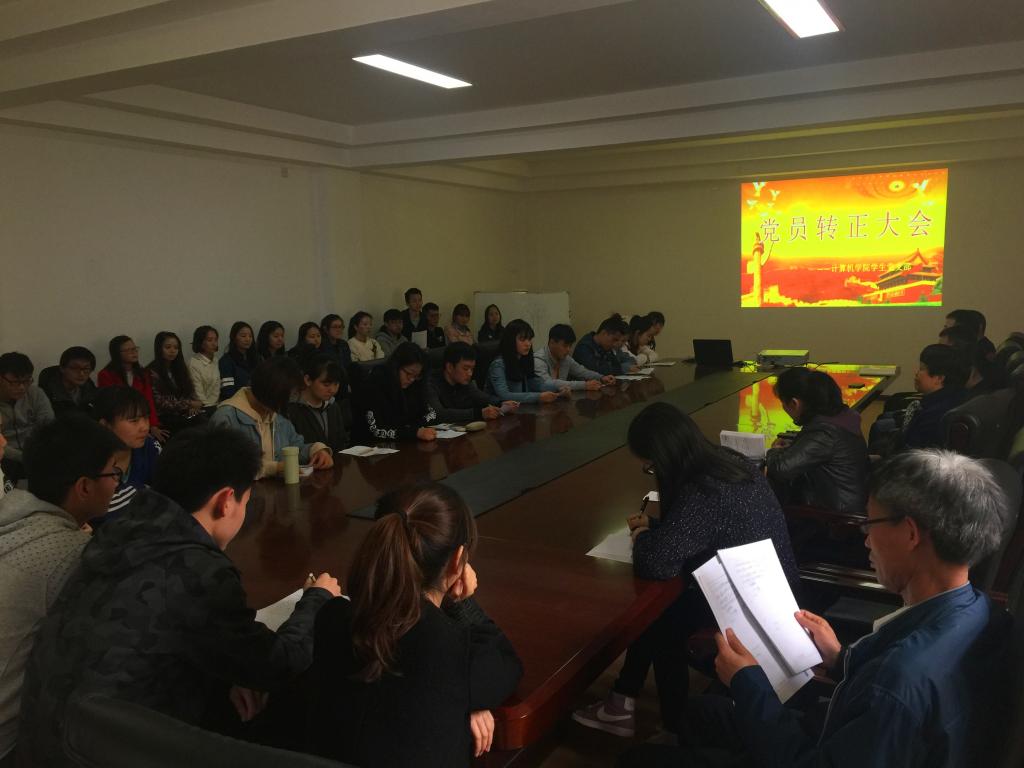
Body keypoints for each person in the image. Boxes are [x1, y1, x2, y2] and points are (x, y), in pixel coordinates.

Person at [647, 449, 1013, 768]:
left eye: (870, 524)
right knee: (700, 713)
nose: (866, 540)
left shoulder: (896, 685)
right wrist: (840, 658)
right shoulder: (982, 613)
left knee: (641, 758)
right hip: (850, 734)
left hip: (820, 750)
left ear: (910, 534)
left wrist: (746, 682)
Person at [18, 426, 343, 768]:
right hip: (105, 751)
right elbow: (279, 664)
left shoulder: (120, 532)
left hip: (48, 739)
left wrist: (232, 667)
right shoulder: (198, 570)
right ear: (226, 501)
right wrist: (317, 600)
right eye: (246, 502)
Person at [574, 402, 798, 739]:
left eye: (650, 466)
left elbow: (656, 562)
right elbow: (705, 530)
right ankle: (622, 700)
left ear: (664, 458)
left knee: (661, 618)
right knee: (661, 610)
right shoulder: (729, 462)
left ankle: (674, 726)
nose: (651, 472)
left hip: (755, 614)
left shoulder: (703, 490)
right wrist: (658, 526)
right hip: (772, 590)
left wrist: (644, 536)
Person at [307, 482, 522, 767]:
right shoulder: (453, 649)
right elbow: (506, 661)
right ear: (457, 561)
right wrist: (461, 602)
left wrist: (462, 703)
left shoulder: (332, 618)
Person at [0, 415, 127, 764]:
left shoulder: (12, 515)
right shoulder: (71, 553)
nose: (117, 483)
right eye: (113, 474)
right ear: (84, 487)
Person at [765, 368, 870, 513]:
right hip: (849, 503)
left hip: (833, 518)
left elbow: (780, 469)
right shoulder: (843, 416)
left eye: (783, 403)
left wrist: (774, 451)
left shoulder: (824, 433)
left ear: (794, 403)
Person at [211, 357, 334, 478]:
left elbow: (295, 447)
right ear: (271, 392)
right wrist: (274, 468)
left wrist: (317, 450)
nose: (288, 402)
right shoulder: (227, 417)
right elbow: (224, 466)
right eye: (286, 397)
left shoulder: (276, 414)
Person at [94, 386, 162, 518]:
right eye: (134, 421)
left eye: (146, 418)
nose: (145, 427)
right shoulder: (90, 460)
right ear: (105, 425)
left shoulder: (150, 447)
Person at [352, 342, 438, 443]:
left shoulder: (415, 384)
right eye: (408, 373)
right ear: (396, 367)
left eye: (416, 376)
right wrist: (414, 432)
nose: (411, 379)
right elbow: (376, 430)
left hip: (403, 443)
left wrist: (416, 428)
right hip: (371, 446)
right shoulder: (375, 383)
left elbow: (431, 413)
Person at [0, 352, 55, 484]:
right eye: (15, 382)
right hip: (6, 456)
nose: (22, 387)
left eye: (26, 381)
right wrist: (24, 457)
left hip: (35, 451)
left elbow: (49, 426)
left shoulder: (35, 393)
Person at [97, 335, 165, 442]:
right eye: (128, 350)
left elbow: (148, 400)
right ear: (117, 353)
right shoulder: (106, 375)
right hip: (120, 422)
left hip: (141, 418)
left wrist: (153, 425)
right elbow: (110, 404)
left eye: (135, 349)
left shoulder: (142, 373)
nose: (134, 352)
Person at [902, 343, 969, 450]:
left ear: (939, 378)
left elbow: (911, 450)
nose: (916, 373)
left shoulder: (933, 414)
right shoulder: (957, 396)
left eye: (921, 369)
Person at [427, 343, 516, 423]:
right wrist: (479, 413)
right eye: (465, 369)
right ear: (450, 367)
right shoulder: (429, 383)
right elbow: (437, 414)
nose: (470, 373)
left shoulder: (463, 381)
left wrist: (501, 403)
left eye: (472, 369)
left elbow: (481, 397)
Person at [487, 320, 568, 404]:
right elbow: (504, 395)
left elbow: (535, 383)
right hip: (499, 410)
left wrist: (558, 388)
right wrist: (538, 397)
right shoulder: (498, 365)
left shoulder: (523, 359)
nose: (528, 344)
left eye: (529, 339)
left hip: (521, 407)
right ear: (510, 340)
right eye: (522, 339)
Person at [286, 354, 348, 451]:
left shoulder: (333, 406)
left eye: (336, 384)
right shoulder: (291, 410)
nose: (332, 390)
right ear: (308, 380)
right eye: (326, 384)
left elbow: (342, 442)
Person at [148, 331, 204, 433]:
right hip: (165, 416)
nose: (172, 351)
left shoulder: (180, 368)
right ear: (159, 348)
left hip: (182, 413)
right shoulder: (152, 371)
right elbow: (159, 402)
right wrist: (189, 404)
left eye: (176, 347)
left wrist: (193, 405)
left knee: (203, 420)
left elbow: (190, 390)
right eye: (168, 347)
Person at [533, 324, 615, 391]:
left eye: (570, 346)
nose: (568, 350)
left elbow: (582, 372)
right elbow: (548, 384)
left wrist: (601, 378)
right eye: (565, 346)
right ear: (552, 342)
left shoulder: (565, 358)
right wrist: (584, 385)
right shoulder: (538, 360)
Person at [38, 347, 98, 416]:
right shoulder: (48, 392)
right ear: (62, 368)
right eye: (75, 368)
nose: (81, 373)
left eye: (86, 369)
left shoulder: (88, 387)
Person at [219, 321, 258, 400]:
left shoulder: (257, 358)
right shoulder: (226, 361)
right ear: (234, 338)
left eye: (250, 336)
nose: (247, 339)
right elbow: (228, 391)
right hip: (236, 402)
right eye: (243, 336)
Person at [188, 326, 221, 410]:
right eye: (209, 340)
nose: (214, 343)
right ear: (200, 342)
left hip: (217, 406)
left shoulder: (216, 360)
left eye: (216, 340)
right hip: (203, 408)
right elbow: (198, 394)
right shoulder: (194, 363)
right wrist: (209, 408)